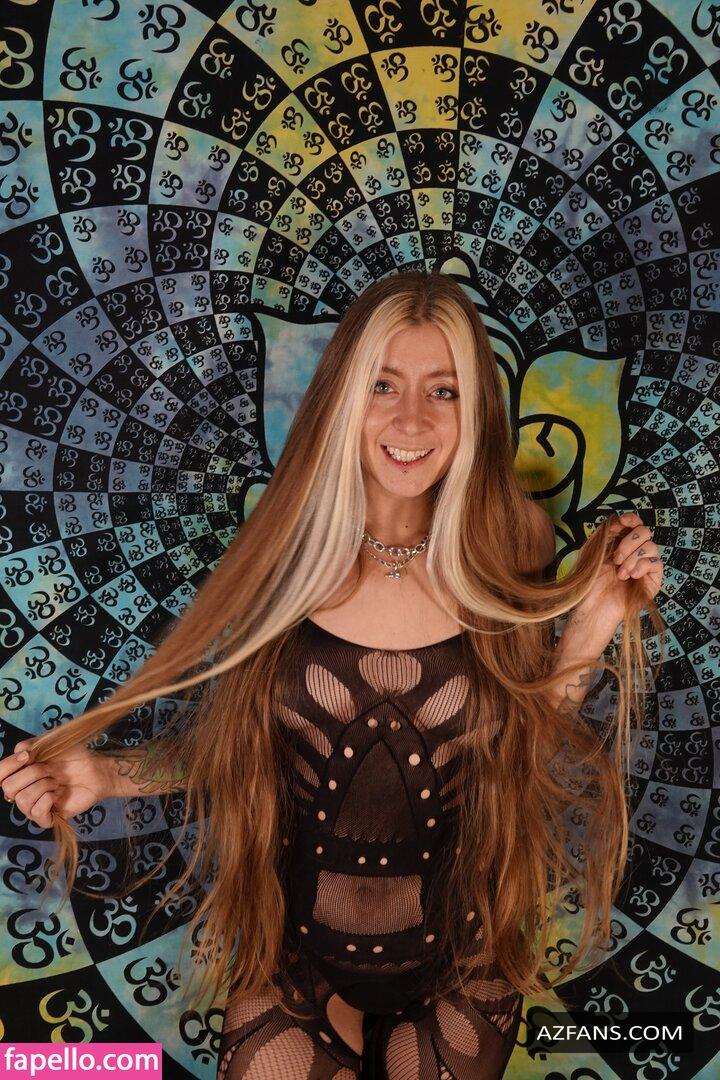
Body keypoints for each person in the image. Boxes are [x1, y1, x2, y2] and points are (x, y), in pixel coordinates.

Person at [0, 271, 665, 1078]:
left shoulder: (511, 535)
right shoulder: (285, 545)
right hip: (297, 957)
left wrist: (594, 623)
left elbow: (524, 750)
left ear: (477, 410)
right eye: (382, 384)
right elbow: (240, 749)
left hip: (464, 953)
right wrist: (105, 776)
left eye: (444, 390)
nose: (411, 420)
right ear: (344, 394)